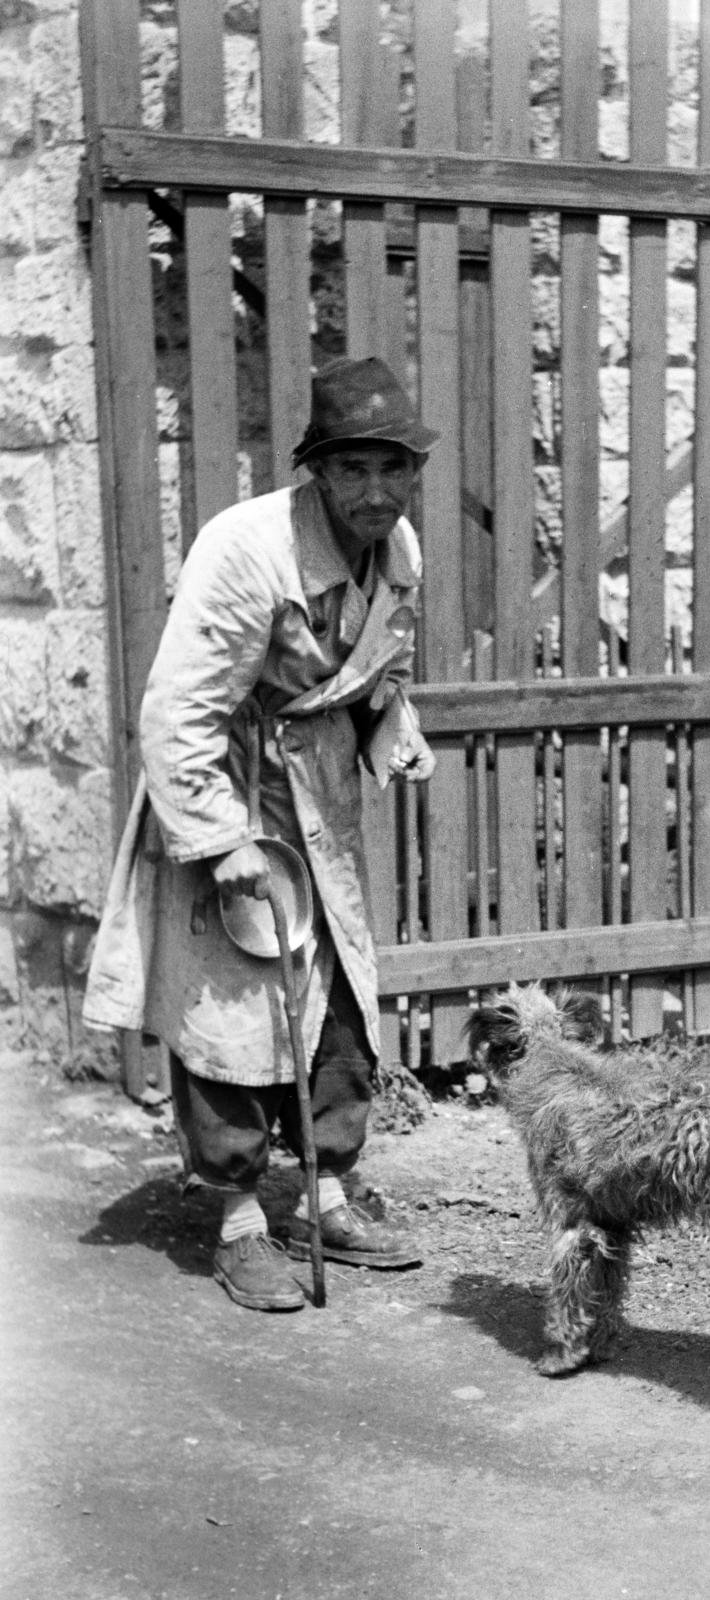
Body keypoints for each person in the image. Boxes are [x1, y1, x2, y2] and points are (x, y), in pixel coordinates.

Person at [84, 356, 439, 1312]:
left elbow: (378, 676)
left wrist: (392, 733)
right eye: (352, 470)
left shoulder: (399, 550)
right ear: (317, 472)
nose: (375, 491)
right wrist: (222, 841)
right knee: (237, 1011)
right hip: (238, 795)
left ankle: (325, 1193)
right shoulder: (247, 549)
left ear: (414, 473)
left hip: (322, 795)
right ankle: (240, 1218)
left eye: (392, 469)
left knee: (342, 1002)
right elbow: (176, 711)